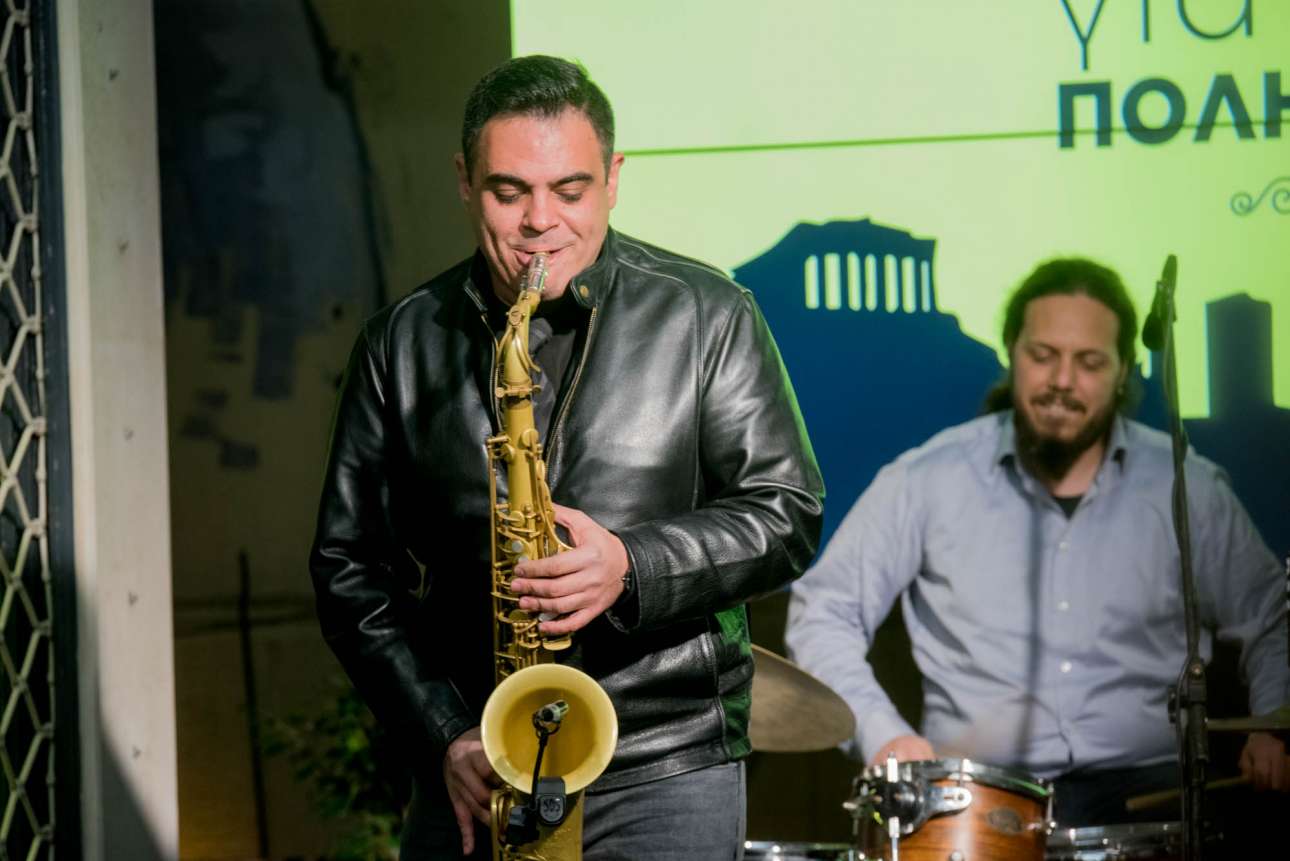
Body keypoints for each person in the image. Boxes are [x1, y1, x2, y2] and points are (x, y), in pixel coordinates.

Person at [310, 55, 824, 860]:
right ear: (464, 181)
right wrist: (443, 729)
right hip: (481, 764)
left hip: (664, 762)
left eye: (570, 190)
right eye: (508, 191)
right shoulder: (400, 343)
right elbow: (348, 568)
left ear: (613, 180)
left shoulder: (708, 313)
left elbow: (787, 511)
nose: (539, 221)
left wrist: (632, 565)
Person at [785, 257, 1289, 829]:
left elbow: (1270, 618)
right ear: (1011, 351)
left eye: (1090, 362)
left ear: (1124, 370)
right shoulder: (926, 478)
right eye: (1043, 355)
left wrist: (1271, 725)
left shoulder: (1185, 485)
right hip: (976, 801)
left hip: (1157, 798)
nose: (1062, 381)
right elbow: (823, 612)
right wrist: (884, 736)